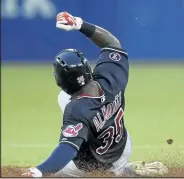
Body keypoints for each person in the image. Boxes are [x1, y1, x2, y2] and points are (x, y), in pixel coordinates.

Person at [23, 11, 168, 178]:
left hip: (96, 166)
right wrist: (80, 24)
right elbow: (112, 43)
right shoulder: (110, 75)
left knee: (54, 173)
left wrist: (40, 170)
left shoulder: (76, 109)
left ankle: (123, 173)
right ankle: (123, 169)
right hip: (123, 146)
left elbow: (67, 149)